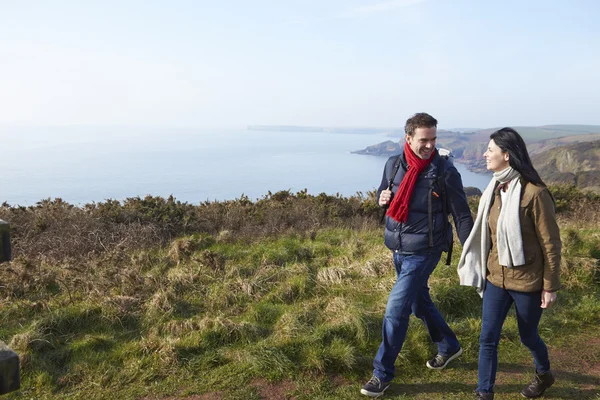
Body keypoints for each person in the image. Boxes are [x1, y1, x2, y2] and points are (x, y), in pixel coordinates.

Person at [361, 113, 474, 397]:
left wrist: (471, 253)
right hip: (398, 248)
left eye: (434, 139)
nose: (429, 145)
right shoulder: (393, 163)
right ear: (408, 138)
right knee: (417, 304)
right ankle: (449, 346)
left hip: (426, 250)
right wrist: (381, 199)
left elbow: (462, 215)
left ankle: (381, 374)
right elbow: (383, 192)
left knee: (395, 310)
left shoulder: (444, 170)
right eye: (424, 140)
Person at [457, 128, 561, 400]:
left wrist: (549, 287)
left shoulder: (535, 194)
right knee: (487, 338)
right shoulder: (494, 188)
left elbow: (551, 245)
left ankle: (544, 374)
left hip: (527, 282)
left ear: (506, 154)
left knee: (528, 337)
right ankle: (484, 393)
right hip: (495, 278)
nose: (484, 154)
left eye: (489, 150)